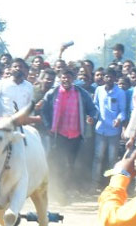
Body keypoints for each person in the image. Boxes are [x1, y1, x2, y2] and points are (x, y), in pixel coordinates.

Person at [40, 69, 96, 201]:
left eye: (69, 78)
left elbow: (93, 109)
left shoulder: (81, 93)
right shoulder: (52, 93)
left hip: (75, 135)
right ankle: (55, 191)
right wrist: (48, 126)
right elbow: (44, 110)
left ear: (73, 79)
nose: (66, 80)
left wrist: (92, 117)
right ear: (59, 79)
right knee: (58, 163)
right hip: (58, 135)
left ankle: (65, 190)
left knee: (71, 164)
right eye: (63, 78)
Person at [92, 70, 128, 183]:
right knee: (98, 157)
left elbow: (123, 111)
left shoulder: (120, 92)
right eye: (107, 76)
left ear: (115, 79)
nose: (109, 79)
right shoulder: (99, 90)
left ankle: (112, 184)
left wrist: (119, 119)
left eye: (111, 77)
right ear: (104, 78)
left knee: (112, 159)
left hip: (114, 131)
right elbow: (96, 106)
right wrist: (93, 116)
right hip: (100, 129)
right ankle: (94, 184)